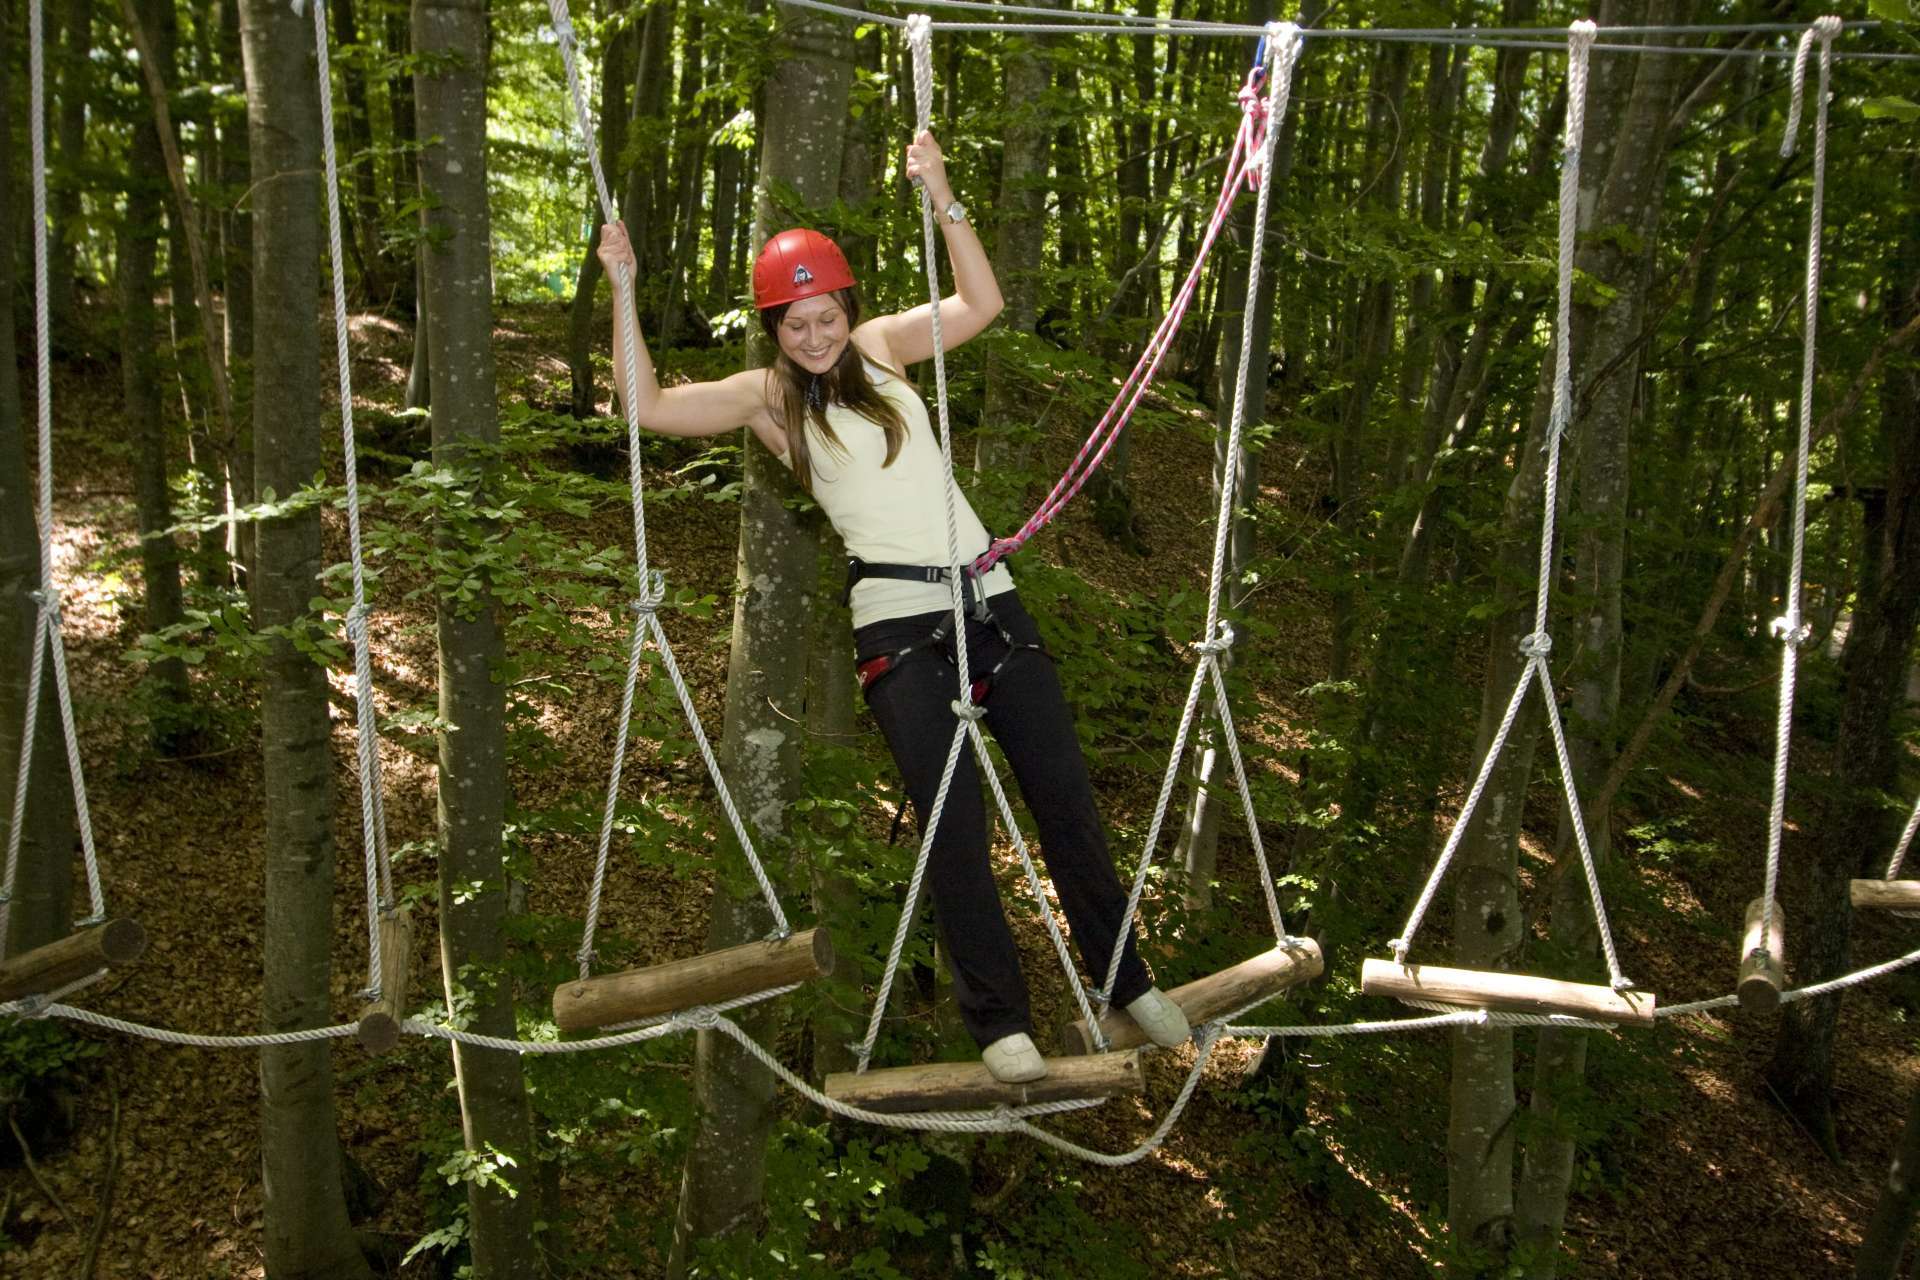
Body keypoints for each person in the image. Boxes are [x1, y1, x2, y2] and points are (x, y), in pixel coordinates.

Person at [595, 130, 1189, 1084]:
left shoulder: (881, 350)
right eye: (795, 323)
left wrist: (943, 193)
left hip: (989, 601)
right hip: (898, 624)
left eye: (825, 316)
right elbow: (647, 407)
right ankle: (1000, 1021)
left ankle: (1126, 979)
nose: (814, 337)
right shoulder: (766, 399)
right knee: (953, 822)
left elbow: (983, 304)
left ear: (848, 309)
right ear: (773, 328)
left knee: (1064, 797)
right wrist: (623, 289)